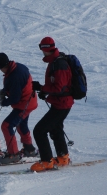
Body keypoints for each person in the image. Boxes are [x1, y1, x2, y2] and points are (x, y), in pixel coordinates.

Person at [30, 37, 74, 172]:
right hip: (61, 102)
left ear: (45, 49)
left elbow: (59, 88)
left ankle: (46, 161)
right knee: (55, 128)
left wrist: (42, 88)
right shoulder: (55, 61)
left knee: (39, 130)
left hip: (62, 103)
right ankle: (63, 158)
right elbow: (56, 86)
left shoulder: (58, 64)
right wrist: (45, 92)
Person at [0, 53, 38, 165]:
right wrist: (6, 90)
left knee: (7, 125)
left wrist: (4, 101)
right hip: (29, 101)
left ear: (1, 66)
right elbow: (17, 87)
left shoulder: (14, 76)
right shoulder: (16, 67)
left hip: (24, 104)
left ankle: (13, 154)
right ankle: (29, 149)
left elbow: (15, 98)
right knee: (21, 124)